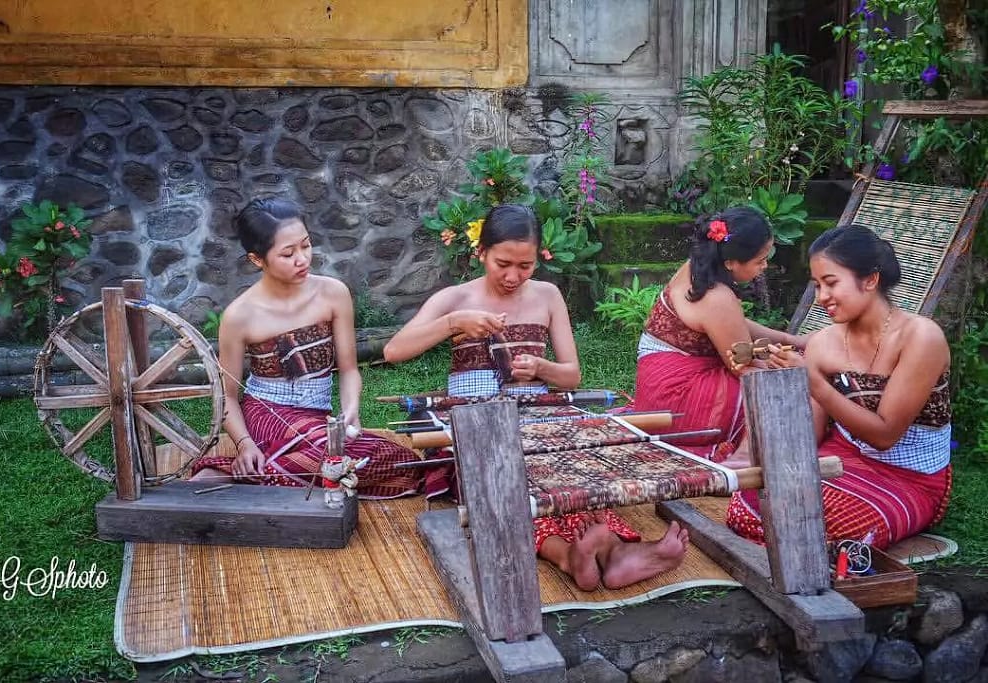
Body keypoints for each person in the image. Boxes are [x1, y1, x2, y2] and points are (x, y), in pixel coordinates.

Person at [384, 203, 689, 590]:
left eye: (525, 266)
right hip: (477, 421)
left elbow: (572, 375)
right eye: (503, 263)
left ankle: (609, 552)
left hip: (540, 416)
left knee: (573, 465)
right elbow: (394, 351)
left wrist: (542, 370)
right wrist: (451, 323)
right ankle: (572, 553)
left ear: (538, 259)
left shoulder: (547, 296)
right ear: (481, 253)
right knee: (511, 474)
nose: (513, 276)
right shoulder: (455, 299)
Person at [726, 226, 952, 549]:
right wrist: (776, 387)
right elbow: (811, 436)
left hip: (910, 478)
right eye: (817, 286)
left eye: (831, 283)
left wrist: (813, 382)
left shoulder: (921, 338)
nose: (821, 298)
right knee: (746, 503)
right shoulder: (823, 343)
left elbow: (885, 436)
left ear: (870, 280)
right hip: (840, 459)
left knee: (840, 525)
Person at [190, 197, 424, 498]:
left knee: (404, 464)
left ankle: (241, 476)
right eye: (288, 253)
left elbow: (350, 369)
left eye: (306, 245)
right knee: (336, 456)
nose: (302, 259)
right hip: (267, 415)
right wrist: (245, 443)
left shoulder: (333, 293)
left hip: (318, 419)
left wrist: (351, 409)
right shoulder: (240, 316)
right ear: (256, 260)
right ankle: (256, 465)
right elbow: (228, 397)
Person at [632, 206, 806, 460]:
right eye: (760, 261)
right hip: (675, 400)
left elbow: (730, 323)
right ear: (731, 263)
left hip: (654, 387)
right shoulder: (718, 297)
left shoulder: (697, 267)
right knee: (782, 390)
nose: (765, 266)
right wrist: (791, 366)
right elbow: (742, 366)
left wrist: (791, 340)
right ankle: (744, 457)